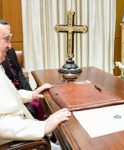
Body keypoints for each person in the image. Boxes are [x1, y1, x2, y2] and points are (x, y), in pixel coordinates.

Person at [0, 19, 71, 147]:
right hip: (17, 143)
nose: (10, 46)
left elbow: (7, 98)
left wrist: (31, 94)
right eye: (6, 39)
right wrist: (43, 126)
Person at [2, 48, 46, 121]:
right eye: (6, 39)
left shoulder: (11, 50)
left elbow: (19, 72)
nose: (9, 45)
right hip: (9, 91)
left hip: (20, 89)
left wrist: (30, 92)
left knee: (37, 102)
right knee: (32, 107)